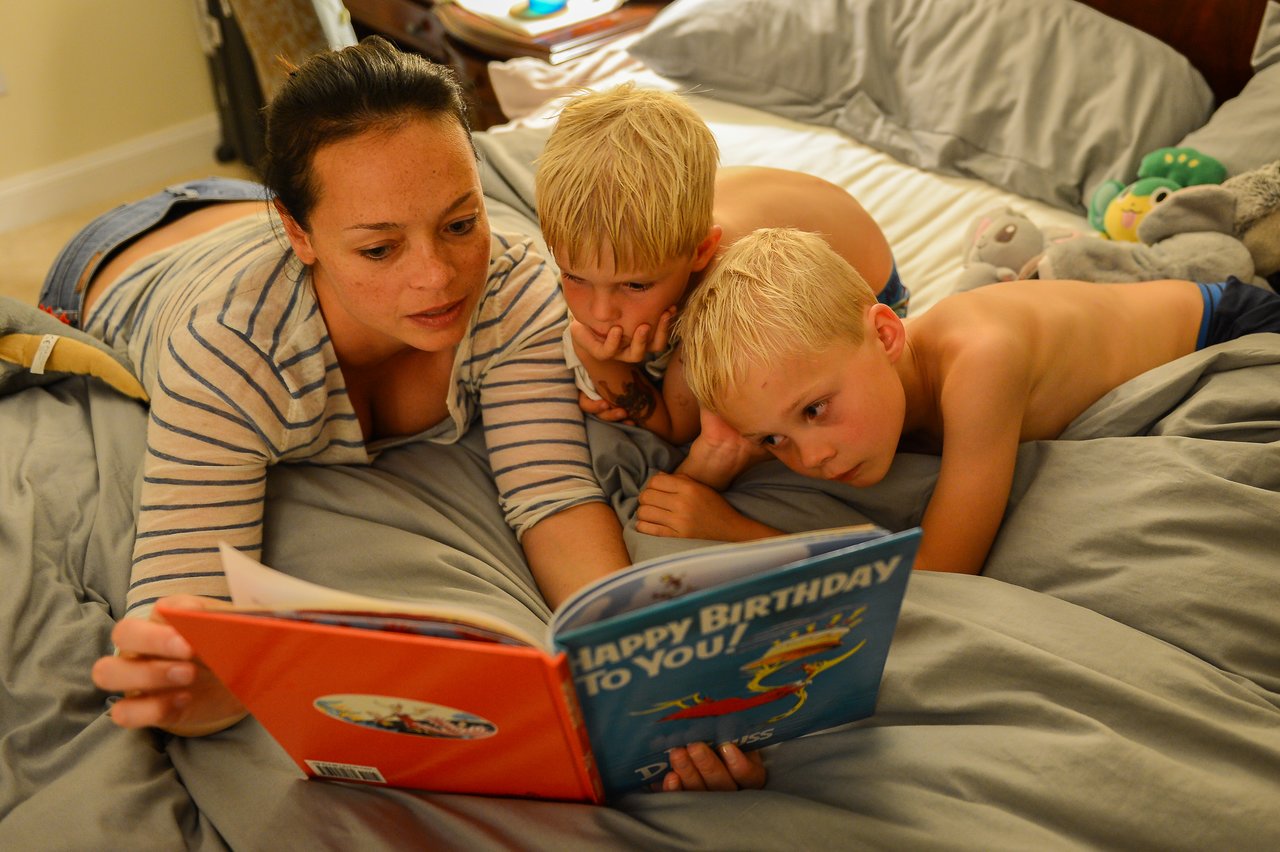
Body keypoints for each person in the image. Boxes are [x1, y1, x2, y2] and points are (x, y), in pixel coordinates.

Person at [69, 37, 760, 791]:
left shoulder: (513, 285)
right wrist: (193, 690)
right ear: (299, 235)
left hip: (276, 211)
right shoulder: (232, 354)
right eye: (379, 251)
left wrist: (642, 675)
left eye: (460, 224)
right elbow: (183, 611)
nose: (436, 277)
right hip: (132, 255)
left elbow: (551, 492)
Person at [672, 227, 1280, 574]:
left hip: (1231, 325)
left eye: (814, 411)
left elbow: (942, 570)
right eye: (775, 440)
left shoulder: (979, 364)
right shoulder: (849, 384)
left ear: (886, 334)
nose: (812, 458)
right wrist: (720, 460)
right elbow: (722, 455)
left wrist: (735, 533)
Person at [534, 83, 905, 467]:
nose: (600, 312)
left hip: (870, 286)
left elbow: (678, 427)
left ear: (701, 251)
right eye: (574, 277)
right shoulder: (641, 236)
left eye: (635, 285)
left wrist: (597, 357)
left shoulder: (724, 284)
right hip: (794, 203)